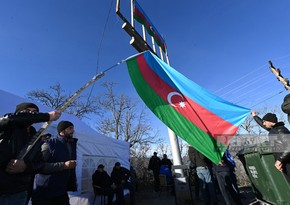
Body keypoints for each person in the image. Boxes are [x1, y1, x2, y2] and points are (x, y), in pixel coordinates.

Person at [0, 102, 61, 205]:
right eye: (28, 111)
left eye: (35, 112)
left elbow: (40, 164)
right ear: (18, 113)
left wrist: (25, 167)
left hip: (19, 192)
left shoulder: (35, 136)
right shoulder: (6, 126)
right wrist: (47, 116)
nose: (32, 114)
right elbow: (10, 119)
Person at [32, 121, 78, 205]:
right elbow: (38, 166)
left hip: (61, 191)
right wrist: (63, 165)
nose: (73, 131)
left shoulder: (71, 144)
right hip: (44, 192)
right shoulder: (49, 144)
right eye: (70, 128)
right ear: (62, 131)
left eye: (73, 128)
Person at [252, 111, 290, 182]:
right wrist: (255, 116)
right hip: (284, 163)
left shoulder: (281, 130)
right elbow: (262, 124)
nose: (263, 123)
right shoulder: (273, 130)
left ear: (270, 121)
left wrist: (279, 160)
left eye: (265, 122)